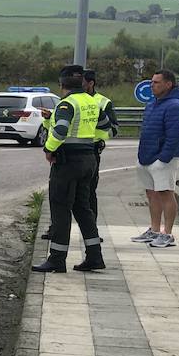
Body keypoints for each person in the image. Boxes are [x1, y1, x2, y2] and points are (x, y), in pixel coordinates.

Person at [33, 70, 103, 273]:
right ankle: (94, 256)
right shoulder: (91, 101)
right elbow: (104, 126)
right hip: (88, 159)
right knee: (83, 209)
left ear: (62, 85)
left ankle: (56, 259)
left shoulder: (67, 103)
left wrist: (49, 149)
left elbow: (61, 130)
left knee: (60, 209)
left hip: (68, 163)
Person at [131, 69, 179, 248]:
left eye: (156, 82)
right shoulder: (152, 104)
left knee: (165, 193)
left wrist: (163, 158)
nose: (151, 85)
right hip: (147, 156)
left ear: (168, 84)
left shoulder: (175, 106)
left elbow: (175, 135)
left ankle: (167, 233)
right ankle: (154, 230)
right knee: (151, 192)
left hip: (163, 159)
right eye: (151, 82)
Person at [83, 67, 120, 223]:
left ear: (91, 83)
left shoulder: (103, 102)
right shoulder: (70, 99)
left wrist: (100, 139)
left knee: (89, 192)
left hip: (91, 151)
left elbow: (113, 130)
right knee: (64, 193)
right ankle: (55, 230)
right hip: (70, 151)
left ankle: (92, 231)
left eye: (82, 82)